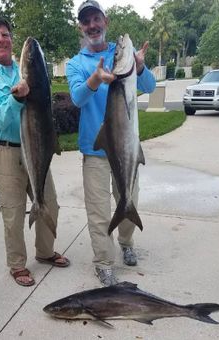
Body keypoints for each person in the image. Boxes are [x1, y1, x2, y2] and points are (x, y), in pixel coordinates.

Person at [0, 17, 69, 287]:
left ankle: (45, 252)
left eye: (5, 34)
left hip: (37, 147)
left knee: (50, 202)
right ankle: (17, 265)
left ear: (11, 40)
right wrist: (16, 98)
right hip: (6, 151)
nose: (1, 39)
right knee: (13, 212)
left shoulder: (25, 70)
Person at [66, 1, 156, 286]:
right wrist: (95, 78)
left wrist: (139, 68)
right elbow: (78, 98)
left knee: (128, 199)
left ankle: (126, 242)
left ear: (104, 21)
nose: (92, 25)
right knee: (98, 210)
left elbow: (150, 87)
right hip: (95, 150)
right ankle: (104, 262)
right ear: (81, 27)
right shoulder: (75, 63)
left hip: (128, 147)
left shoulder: (122, 59)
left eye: (95, 19)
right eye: (86, 22)